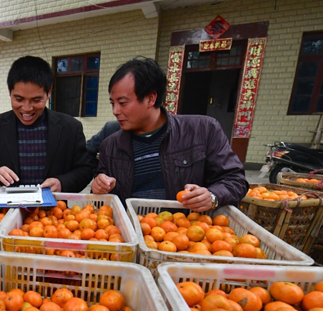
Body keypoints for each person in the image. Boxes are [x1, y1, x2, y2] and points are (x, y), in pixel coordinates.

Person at [92, 57, 248, 211]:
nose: (115, 111)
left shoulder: (203, 130)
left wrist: (212, 196)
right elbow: (102, 203)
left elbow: (235, 180)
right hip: (131, 226)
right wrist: (99, 187)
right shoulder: (110, 146)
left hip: (186, 225)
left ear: (151, 99)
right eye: (112, 103)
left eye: (122, 103)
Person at [0, 56, 95, 192]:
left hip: (53, 205)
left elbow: (85, 170)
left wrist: (62, 183)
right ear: (10, 91)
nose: (27, 108)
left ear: (48, 92)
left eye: (36, 100)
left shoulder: (70, 128)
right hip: (6, 206)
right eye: (19, 99)